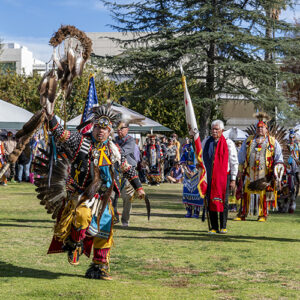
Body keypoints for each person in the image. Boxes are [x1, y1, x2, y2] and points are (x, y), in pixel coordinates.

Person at [38, 104, 145, 280]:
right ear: (93, 127)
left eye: (104, 129)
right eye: (97, 128)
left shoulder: (114, 150)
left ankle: (99, 267)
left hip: (104, 198)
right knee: (82, 215)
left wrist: (138, 187)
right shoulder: (82, 141)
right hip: (82, 194)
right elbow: (61, 134)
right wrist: (51, 116)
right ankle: (74, 244)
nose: (100, 132)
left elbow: (127, 168)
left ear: (110, 131)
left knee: (105, 229)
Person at [235, 114, 284, 222]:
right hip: (249, 173)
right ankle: (243, 213)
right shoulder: (249, 140)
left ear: (267, 129)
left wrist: (277, 172)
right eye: (258, 127)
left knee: (263, 195)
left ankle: (262, 215)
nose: (260, 129)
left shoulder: (272, 141)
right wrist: (239, 170)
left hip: (265, 174)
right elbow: (241, 155)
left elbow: (279, 158)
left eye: (262, 127)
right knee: (246, 193)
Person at [202, 120, 238, 234]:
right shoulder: (206, 142)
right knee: (210, 200)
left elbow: (234, 161)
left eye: (216, 129)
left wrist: (233, 178)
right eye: (213, 129)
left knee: (224, 201)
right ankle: (213, 227)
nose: (214, 131)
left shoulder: (228, 143)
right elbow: (201, 157)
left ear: (222, 130)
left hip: (224, 177)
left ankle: (223, 226)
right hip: (209, 176)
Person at [115, 122, 138, 227]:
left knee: (128, 196)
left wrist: (112, 148)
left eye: (121, 128)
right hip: (115, 171)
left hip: (128, 171)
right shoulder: (114, 140)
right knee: (110, 196)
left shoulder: (130, 140)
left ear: (127, 129)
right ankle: (114, 217)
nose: (119, 130)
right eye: (117, 129)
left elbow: (122, 152)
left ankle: (125, 220)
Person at [180, 140, 203, 218]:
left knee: (197, 192)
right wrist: (186, 170)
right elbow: (183, 160)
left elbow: (202, 160)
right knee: (187, 191)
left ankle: (196, 211)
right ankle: (189, 210)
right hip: (187, 172)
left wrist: (196, 170)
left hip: (198, 171)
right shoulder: (186, 147)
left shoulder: (200, 146)